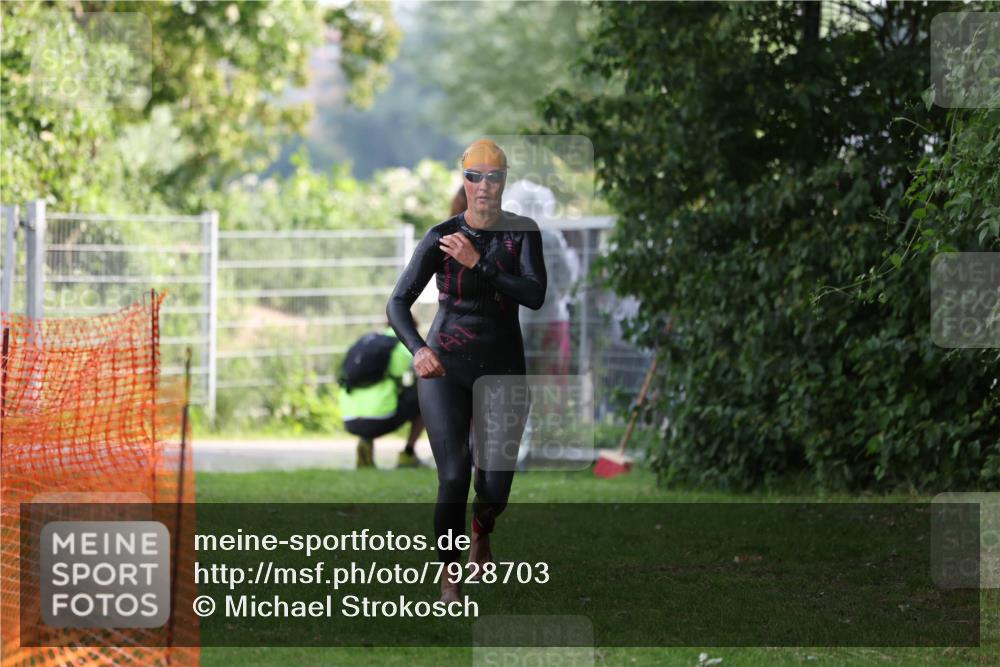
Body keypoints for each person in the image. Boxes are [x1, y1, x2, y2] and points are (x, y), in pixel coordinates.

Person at [386, 138, 547, 602]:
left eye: (492, 177)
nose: (482, 186)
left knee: (493, 487)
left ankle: (483, 528)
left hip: (502, 370)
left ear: (503, 181)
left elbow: (534, 294)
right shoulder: (442, 236)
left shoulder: (523, 234)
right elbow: (398, 302)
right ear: (464, 180)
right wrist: (417, 348)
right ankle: (450, 575)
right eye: (473, 177)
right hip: (446, 368)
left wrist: (481, 264)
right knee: (453, 476)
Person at [338, 321, 425, 468]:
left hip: (349, 419)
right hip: (380, 419)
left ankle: (365, 443)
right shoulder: (401, 347)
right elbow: (414, 374)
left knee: (378, 393)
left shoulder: (368, 344)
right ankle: (408, 454)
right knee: (424, 398)